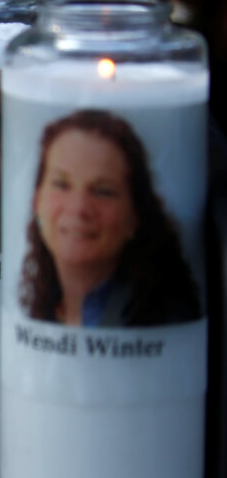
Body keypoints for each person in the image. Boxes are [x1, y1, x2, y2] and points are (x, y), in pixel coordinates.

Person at [20, 109, 201, 327]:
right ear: (36, 200)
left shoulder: (164, 320)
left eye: (102, 191)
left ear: (135, 216)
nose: (79, 208)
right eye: (61, 184)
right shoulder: (38, 308)